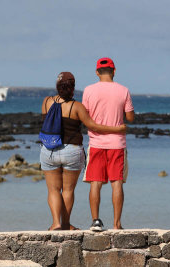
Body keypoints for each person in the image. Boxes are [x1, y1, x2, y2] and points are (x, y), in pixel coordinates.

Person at [41, 71, 127, 231]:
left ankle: (56, 223)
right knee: (67, 190)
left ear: (57, 86)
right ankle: (66, 223)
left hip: (49, 150)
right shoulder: (76, 107)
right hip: (71, 151)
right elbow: (93, 126)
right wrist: (117, 129)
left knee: (53, 189)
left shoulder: (46, 102)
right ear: (72, 88)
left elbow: (47, 121)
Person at [82, 57, 134, 231]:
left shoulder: (88, 91)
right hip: (117, 143)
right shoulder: (123, 90)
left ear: (97, 72)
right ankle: (117, 224)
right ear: (114, 71)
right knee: (117, 182)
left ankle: (95, 220)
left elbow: (86, 117)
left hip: (96, 142)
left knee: (95, 182)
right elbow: (130, 117)